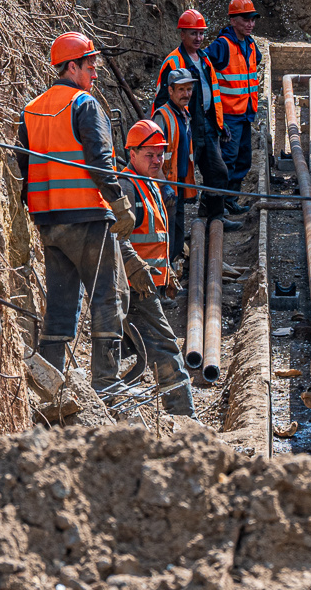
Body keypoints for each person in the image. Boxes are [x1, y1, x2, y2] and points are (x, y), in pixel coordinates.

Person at [19, 31, 136, 388]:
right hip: (86, 217)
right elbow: (101, 161)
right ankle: (106, 388)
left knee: (60, 306)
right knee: (108, 296)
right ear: (72, 67)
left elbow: (23, 168)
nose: (95, 74)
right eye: (90, 66)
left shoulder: (32, 109)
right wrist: (120, 203)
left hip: (49, 223)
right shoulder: (84, 105)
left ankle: (48, 387)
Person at [115, 119, 196, 416]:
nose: (156, 160)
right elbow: (114, 238)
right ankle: (184, 418)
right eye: (149, 155)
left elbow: (154, 238)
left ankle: (107, 403)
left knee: (132, 350)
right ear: (132, 154)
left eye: (160, 154)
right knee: (166, 349)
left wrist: (166, 272)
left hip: (147, 282)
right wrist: (134, 271)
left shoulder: (148, 184)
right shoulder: (126, 185)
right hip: (134, 287)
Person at [154, 9, 237, 233]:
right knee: (180, 175)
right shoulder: (173, 61)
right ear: (182, 34)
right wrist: (161, 132)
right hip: (185, 128)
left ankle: (215, 217)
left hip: (207, 127)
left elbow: (212, 93)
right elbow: (162, 100)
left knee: (217, 172)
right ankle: (174, 230)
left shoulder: (205, 59)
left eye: (201, 34)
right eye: (193, 34)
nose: (198, 38)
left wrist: (220, 124)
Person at [204, 0, 263, 209]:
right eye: (245, 19)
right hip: (229, 116)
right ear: (233, 20)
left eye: (252, 19)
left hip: (245, 113)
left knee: (242, 159)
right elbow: (203, 66)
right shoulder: (222, 45)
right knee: (227, 161)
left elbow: (256, 61)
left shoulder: (249, 44)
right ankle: (218, 205)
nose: (250, 24)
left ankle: (230, 200)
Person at [151, 65, 202, 259]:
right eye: (181, 89)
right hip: (165, 186)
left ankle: (174, 268)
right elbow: (153, 154)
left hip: (177, 184)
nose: (186, 94)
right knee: (167, 232)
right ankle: (166, 275)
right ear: (170, 90)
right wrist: (163, 185)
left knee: (177, 230)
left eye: (189, 89)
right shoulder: (162, 116)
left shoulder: (184, 114)